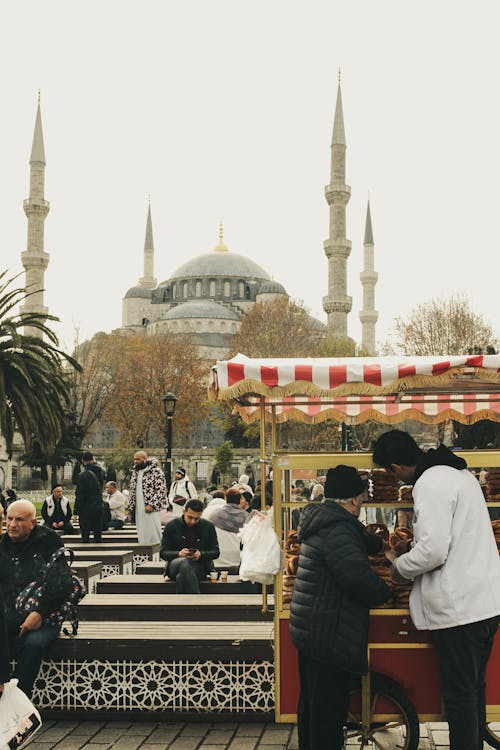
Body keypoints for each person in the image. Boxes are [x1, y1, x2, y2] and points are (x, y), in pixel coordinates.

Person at [372, 429, 500, 750]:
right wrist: (412, 545)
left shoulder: (429, 484)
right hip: (486, 602)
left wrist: (399, 569)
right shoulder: (462, 476)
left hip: (460, 609)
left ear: (396, 467)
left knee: (458, 695)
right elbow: (453, 536)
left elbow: (434, 551)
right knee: (472, 689)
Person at [289, 465, 391, 750]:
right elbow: (357, 579)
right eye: (362, 498)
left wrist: (378, 544)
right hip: (328, 632)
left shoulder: (329, 520)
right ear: (354, 500)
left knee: (313, 706)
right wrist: (387, 588)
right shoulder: (338, 529)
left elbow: (359, 539)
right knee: (327, 713)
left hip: (313, 627)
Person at [0, 500, 73, 697]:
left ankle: (18, 699)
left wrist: (39, 613)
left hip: (44, 616)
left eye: (19, 520)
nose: (12, 524)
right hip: (9, 615)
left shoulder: (48, 541)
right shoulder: (2, 544)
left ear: (33, 523)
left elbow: (62, 583)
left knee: (33, 643)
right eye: (9, 519)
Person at [160, 499, 219, 593]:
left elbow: (215, 552)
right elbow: (163, 553)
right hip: (175, 565)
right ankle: (196, 603)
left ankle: (189, 605)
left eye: (196, 519)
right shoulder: (171, 526)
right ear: (184, 511)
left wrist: (201, 554)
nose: (192, 521)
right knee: (185, 562)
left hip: (200, 565)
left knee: (181, 577)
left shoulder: (208, 526)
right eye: (190, 517)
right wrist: (179, 553)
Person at [128, 451, 167, 544]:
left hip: (150, 507)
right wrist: (130, 506)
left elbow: (161, 490)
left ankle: (157, 551)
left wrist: (152, 504)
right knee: (141, 529)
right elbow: (132, 490)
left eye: (138, 459)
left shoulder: (156, 471)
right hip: (138, 506)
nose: (135, 461)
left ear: (145, 459)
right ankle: (143, 548)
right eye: (134, 459)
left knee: (153, 529)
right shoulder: (135, 472)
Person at [210, 487, 248, 568]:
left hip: (218, 557)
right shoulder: (246, 516)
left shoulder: (215, 515)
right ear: (240, 500)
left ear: (226, 498)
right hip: (238, 557)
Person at [73, 451, 105, 542]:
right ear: (93, 459)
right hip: (98, 506)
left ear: (83, 461)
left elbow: (80, 495)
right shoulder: (101, 472)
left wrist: (75, 512)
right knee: (98, 536)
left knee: (85, 536)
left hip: (86, 509)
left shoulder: (83, 475)